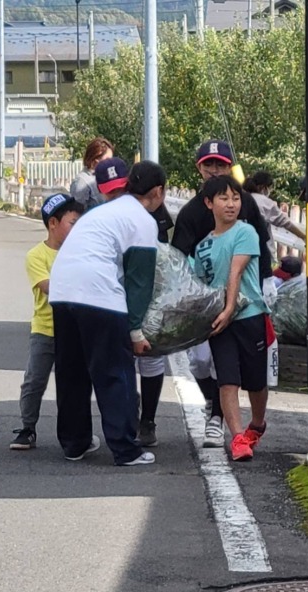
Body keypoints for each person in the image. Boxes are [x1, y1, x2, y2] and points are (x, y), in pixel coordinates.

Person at [48, 161, 167, 466]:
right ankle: (125, 449)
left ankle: (74, 444)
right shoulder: (142, 220)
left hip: (61, 290)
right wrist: (135, 331)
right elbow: (139, 283)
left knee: (72, 370)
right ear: (158, 192)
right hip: (99, 295)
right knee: (115, 372)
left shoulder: (99, 212)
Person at [171, 140, 274, 449]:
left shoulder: (246, 212)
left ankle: (249, 422)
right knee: (205, 365)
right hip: (208, 306)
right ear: (199, 168)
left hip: (248, 308)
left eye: (221, 165)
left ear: (231, 167)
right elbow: (182, 260)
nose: (214, 170)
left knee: (254, 378)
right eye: (208, 165)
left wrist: (267, 281)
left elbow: (249, 258)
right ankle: (226, 425)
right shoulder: (191, 213)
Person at [194, 175, 270, 461]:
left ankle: (257, 424)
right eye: (224, 198)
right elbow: (198, 285)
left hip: (249, 315)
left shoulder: (246, 232)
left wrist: (228, 309)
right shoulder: (201, 247)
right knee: (227, 380)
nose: (231, 204)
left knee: (255, 381)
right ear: (208, 203)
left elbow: (235, 271)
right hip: (219, 323)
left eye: (235, 198)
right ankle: (238, 438)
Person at [95, 156, 167, 448]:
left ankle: (146, 420)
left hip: (148, 291)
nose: (113, 195)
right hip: (115, 292)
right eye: (108, 190)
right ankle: (126, 422)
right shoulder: (106, 214)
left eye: (118, 189)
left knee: (150, 357)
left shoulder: (158, 215)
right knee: (121, 360)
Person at [9, 193, 84, 450]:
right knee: (35, 380)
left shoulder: (81, 252)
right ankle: (27, 427)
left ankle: (77, 432)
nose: (77, 229)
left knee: (75, 383)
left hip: (75, 329)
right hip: (45, 329)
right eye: (72, 223)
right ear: (53, 223)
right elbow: (47, 286)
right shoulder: (36, 256)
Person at [243, 171, 306, 260]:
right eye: (270, 188)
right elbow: (285, 223)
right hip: (262, 251)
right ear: (264, 187)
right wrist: (303, 236)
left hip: (242, 250)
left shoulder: (242, 198)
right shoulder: (265, 202)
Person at [70, 137, 114, 210]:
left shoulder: (106, 177)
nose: (111, 163)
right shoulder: (82, 183)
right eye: (107, 160)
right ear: (95, 159)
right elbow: (77, 213)